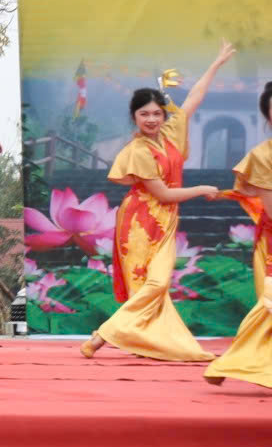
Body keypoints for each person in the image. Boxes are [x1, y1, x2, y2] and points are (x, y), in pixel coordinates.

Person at [85, 42, 236, 364]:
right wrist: (201, 188)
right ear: (134, 117)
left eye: (156, 113)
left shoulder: (170, 134)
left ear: (164, 114)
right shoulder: (138, 151)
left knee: (159, 283)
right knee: (149, 284)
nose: (151, 119)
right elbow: (164, 194)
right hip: (139, 223)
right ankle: (105, 337)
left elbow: (194, 98)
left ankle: (110, 337)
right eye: (144, 114)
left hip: (166, 220)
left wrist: (216, 64)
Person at [204, 82, 272, 390]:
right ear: (267, 117)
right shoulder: (263, 156)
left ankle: (231, 362)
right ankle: (233, 362)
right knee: (269, 306)